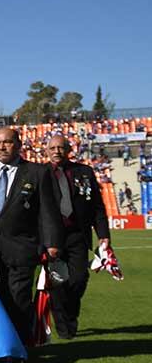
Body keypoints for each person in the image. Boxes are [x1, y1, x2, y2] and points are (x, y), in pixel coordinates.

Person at [0, 128, 62, 363]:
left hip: (23, 249)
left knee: (18, 299)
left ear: (18, 144)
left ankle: (17, 351)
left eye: (8, 142)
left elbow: (49, 211)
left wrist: (53, 243)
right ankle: (1, 345)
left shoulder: (37, 172)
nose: (2, 147)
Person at [44, 136, 110, 339]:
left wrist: (103, 235)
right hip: (50, 238)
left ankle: (70, 314)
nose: (57, 151)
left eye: (61, 147)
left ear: (68, 149)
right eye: (52, 148)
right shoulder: (39, 173)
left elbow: (97, 207)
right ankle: (64, 327)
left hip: (77, 236)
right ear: (46, 150)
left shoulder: (85, 172)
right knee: (57, 283)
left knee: (79, 279)